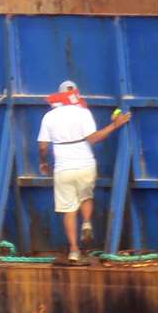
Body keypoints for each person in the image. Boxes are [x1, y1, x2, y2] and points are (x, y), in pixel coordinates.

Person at [36, 81, 130, 263]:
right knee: (86, 197)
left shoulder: (49, 116)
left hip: (63, 168)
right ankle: (86, 223)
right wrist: (115, 125)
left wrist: (43, 163)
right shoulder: (84, 113)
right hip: (86, 165)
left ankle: (73, 250)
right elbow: (95, 138)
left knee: (68, 210)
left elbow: (42, 147)